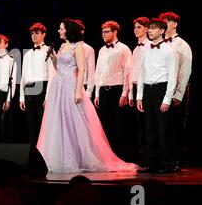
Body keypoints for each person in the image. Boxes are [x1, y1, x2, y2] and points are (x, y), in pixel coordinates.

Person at [36, 19, 137, 173]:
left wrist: (78, 91)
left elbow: (82, 70)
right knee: (58, 120)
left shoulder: (78, 48)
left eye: (61, 28)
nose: (58, 31)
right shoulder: (63, 46)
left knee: (73, 121)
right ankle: (58, 157)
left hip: (71, 84)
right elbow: (59, 67)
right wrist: (53, 58)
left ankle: (76, 157)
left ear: (68, 30)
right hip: (59, 85)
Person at [136, 18, 178, 173]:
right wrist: (139, 96)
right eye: (150, 28)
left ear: (161, 31)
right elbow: (142, 72)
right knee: (149, 128)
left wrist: (167, 98)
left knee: (163, 128)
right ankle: (152, 163)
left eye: (153, 28)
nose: (150, 30)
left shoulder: (169, 49)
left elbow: (172, 75)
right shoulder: (145, 49)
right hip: (148, 90)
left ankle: (164, 163)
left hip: (162, 89)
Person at [159, 11, 192, 172]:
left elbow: (185, 71)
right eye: (162, 21)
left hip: (177, 91)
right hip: (162, 90)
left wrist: (178, 94)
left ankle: (175, 160)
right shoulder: (160, 44)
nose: (164, 24)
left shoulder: (182, 45)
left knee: (175, 127)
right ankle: (163, 160)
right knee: (163, 127)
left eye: (167, 21)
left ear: (174, 24)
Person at [94, 20, 132, 159]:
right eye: (102, 32)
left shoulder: (124, 49)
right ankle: (107, 156)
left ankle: (121, 155)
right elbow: (98, 73)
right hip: (104, 91)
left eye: (107, 31)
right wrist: (97, 93)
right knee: (105, 125)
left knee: (119, 125)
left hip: (117, 90)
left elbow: (128, 72)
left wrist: (124, 93)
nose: (103, 34)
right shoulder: (102, 50)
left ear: (115, 32)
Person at [19, 23, 55, 145]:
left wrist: (48, 96)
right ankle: (33, 153)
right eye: (32, 33)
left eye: (37, 33)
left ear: (43, 34)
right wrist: (21, 97)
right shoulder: (28, 53)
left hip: (42, 87)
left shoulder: (49, 51)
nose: (34, 35)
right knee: (31, 123)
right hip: (29, 88)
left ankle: (44, 153)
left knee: (42, 123)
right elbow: (23, 76)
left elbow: (52, 75)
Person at [128, 17, 150, 167]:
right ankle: (142, 157)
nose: (136, 30)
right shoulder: (136, 49)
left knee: (148, 124)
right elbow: (132, 72)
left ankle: (150, 157)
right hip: (136, 88)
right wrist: (130, 93)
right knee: (139, 126)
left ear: (147, 29)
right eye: (135, 27)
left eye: (139, 27)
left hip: (147, 87)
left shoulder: (150, 47)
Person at [78, 20, 96, 99]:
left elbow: (91, 73)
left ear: (81, 32)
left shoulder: (88, 49)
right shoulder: (66, 47)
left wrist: (89, 92)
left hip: (82, 86)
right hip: (67, 86)